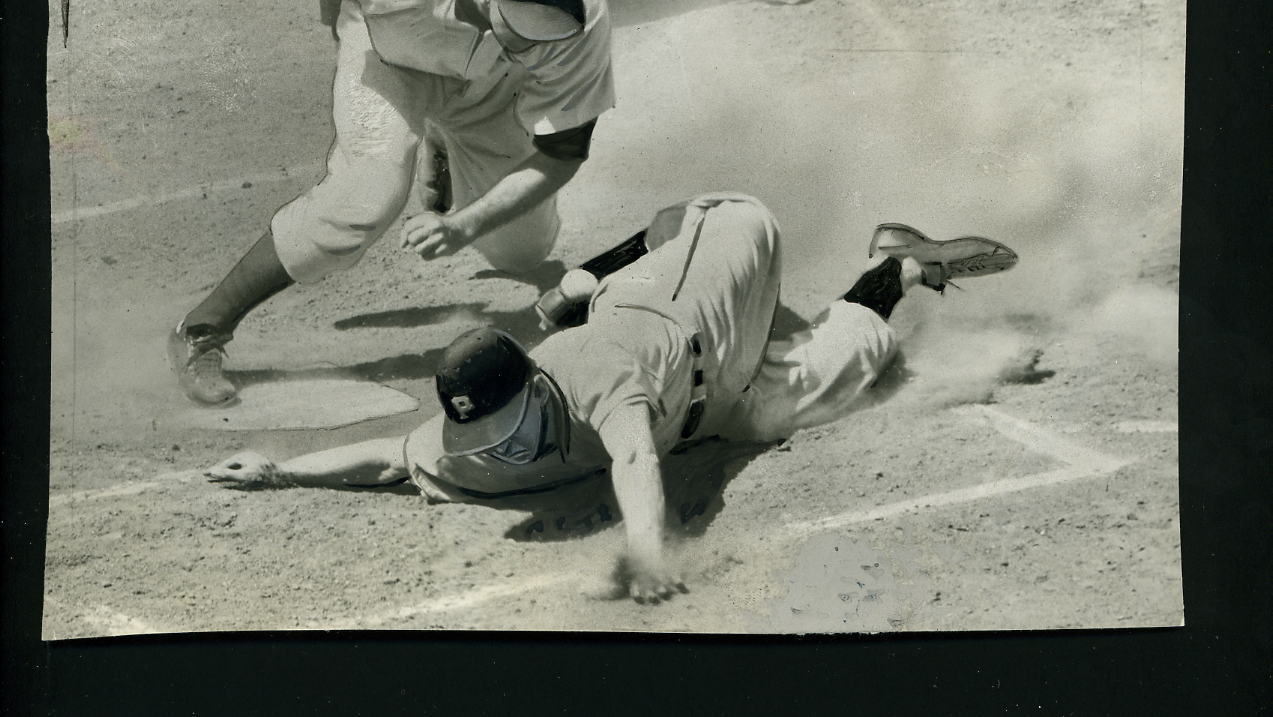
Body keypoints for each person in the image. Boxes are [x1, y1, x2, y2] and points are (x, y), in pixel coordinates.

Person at [205, 201, 1019, 605]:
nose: (496, 446)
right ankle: (894, 268)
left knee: (723, 228)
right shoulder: (475, 435)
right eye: (480, 432)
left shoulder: (595, 379)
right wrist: (277, 470)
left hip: (716, 294)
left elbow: (633, 457)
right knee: (811, 388)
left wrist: (648, 551)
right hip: (713, 399)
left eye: (501, 425)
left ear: (532, 388)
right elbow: (390, 453)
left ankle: (666, 239)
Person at [87, 0, 615, 408]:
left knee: (522, 249)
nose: (538, 45)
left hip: (489, 85)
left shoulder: (577, 21)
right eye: (524, 32)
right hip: (391, 53)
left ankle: (443, 144)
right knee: (367, 196)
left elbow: (562, 152)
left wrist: (464, 225)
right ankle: (201, 330)